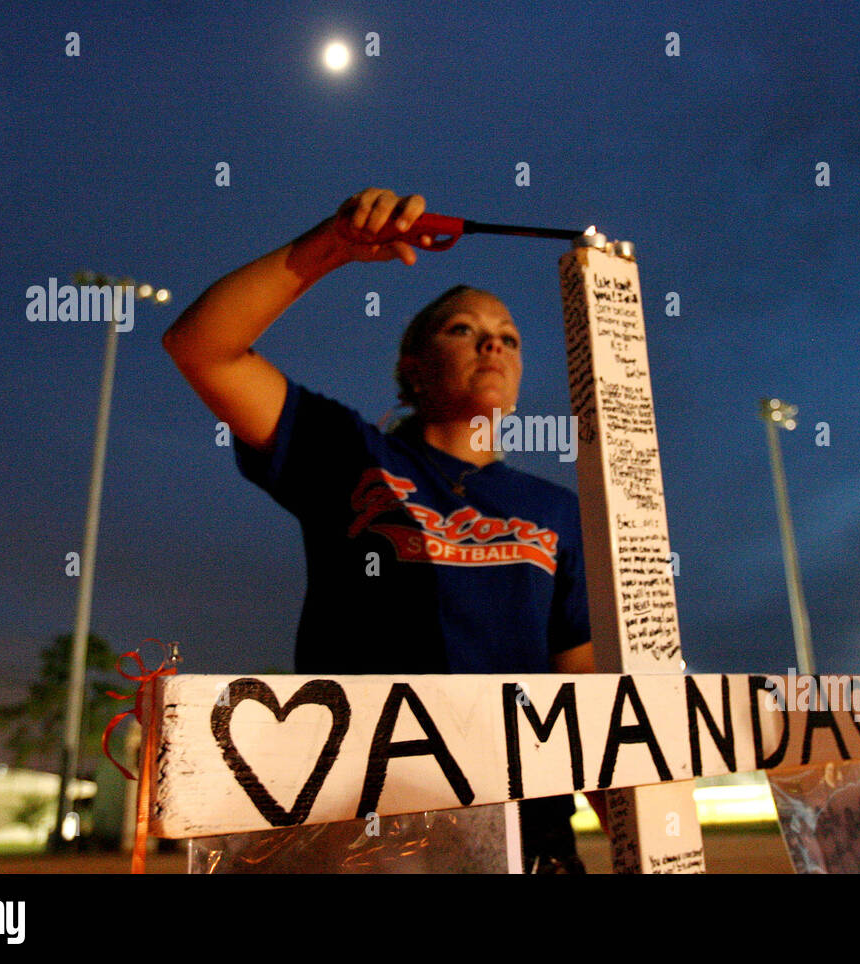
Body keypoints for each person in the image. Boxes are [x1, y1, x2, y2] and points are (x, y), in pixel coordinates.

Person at [163, 188, 603, 872]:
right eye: (462, 328)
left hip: (529, 838)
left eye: (510, 336)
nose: (493, 341)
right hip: (373, 840)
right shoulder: (352, 454)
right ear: (412, 369)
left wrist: (645, 841)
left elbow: (589, 697)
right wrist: (329, 248)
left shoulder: (555, 509)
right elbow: (203, 347)